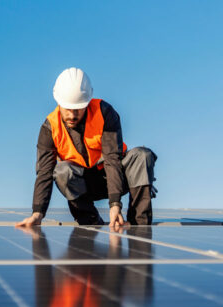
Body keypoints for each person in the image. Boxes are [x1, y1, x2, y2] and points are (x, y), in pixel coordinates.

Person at [15, 67, 157, 229]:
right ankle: (90, 222)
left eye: (78, 109)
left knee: (142, 156)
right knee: (62, 172)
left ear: (87, 103)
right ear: (59, 103)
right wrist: (37, 213)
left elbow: (113, 159)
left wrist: (115, 204)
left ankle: (139, 225)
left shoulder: (104, 113)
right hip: (83, 184)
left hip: (116, 175)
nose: (72, 115)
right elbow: (44, 173)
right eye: (68, 109)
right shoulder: (50, 128)